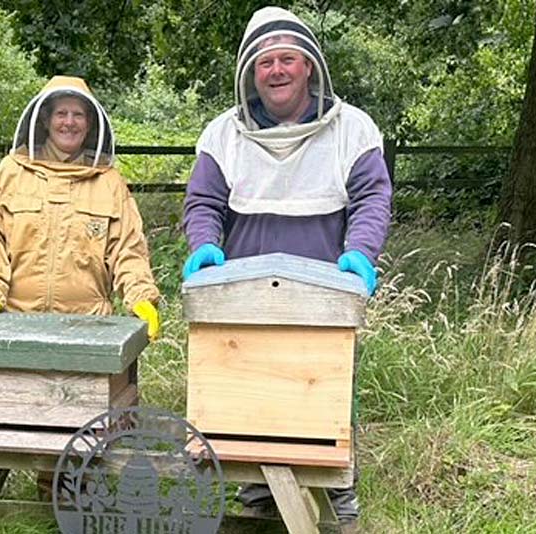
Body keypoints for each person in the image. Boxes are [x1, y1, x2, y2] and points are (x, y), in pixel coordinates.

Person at [182, 7, 392, 534]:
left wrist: (361, 254)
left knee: (324, 393)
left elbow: (372, 198)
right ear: (251, 73)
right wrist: (205, 246)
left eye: (287, 60)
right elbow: (204, 202)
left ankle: (335, 492)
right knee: (254, 392)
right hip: (244, 289)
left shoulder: (352, 128)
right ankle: (259, 493)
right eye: (265, 62)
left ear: (309, 67)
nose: (276, 70)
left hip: (323, 286)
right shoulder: (222, 134)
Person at [0, 75, 161, 341]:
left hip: (90, 328)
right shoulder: (11, 172)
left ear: (90, 124)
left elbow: (128, 248)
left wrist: (141, 296)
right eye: (61, 113)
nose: (69, 122)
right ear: (46, 120)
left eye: (78, 115)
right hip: (14, 324)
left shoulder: (108, 181)